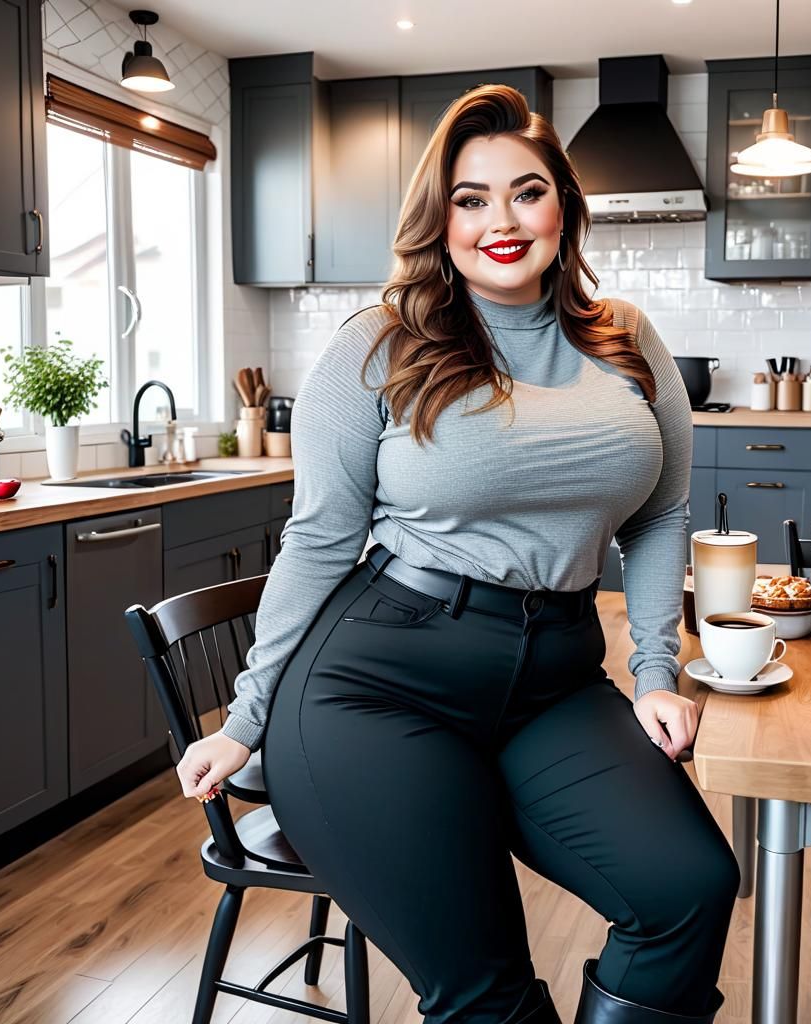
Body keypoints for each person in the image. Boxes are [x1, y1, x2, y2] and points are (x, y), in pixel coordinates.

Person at [176, 84, 739, 1024]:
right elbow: (317, 540)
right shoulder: (381, 346)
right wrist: (246, 717)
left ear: (565, 203)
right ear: (440, 221)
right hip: (378, 684)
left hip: (557, 677)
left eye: (526, 191)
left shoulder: (628, 341)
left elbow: (660, 516)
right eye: (470, 199)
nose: (501, 221)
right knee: (485, 993)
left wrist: (654, 671)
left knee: (687, 890)